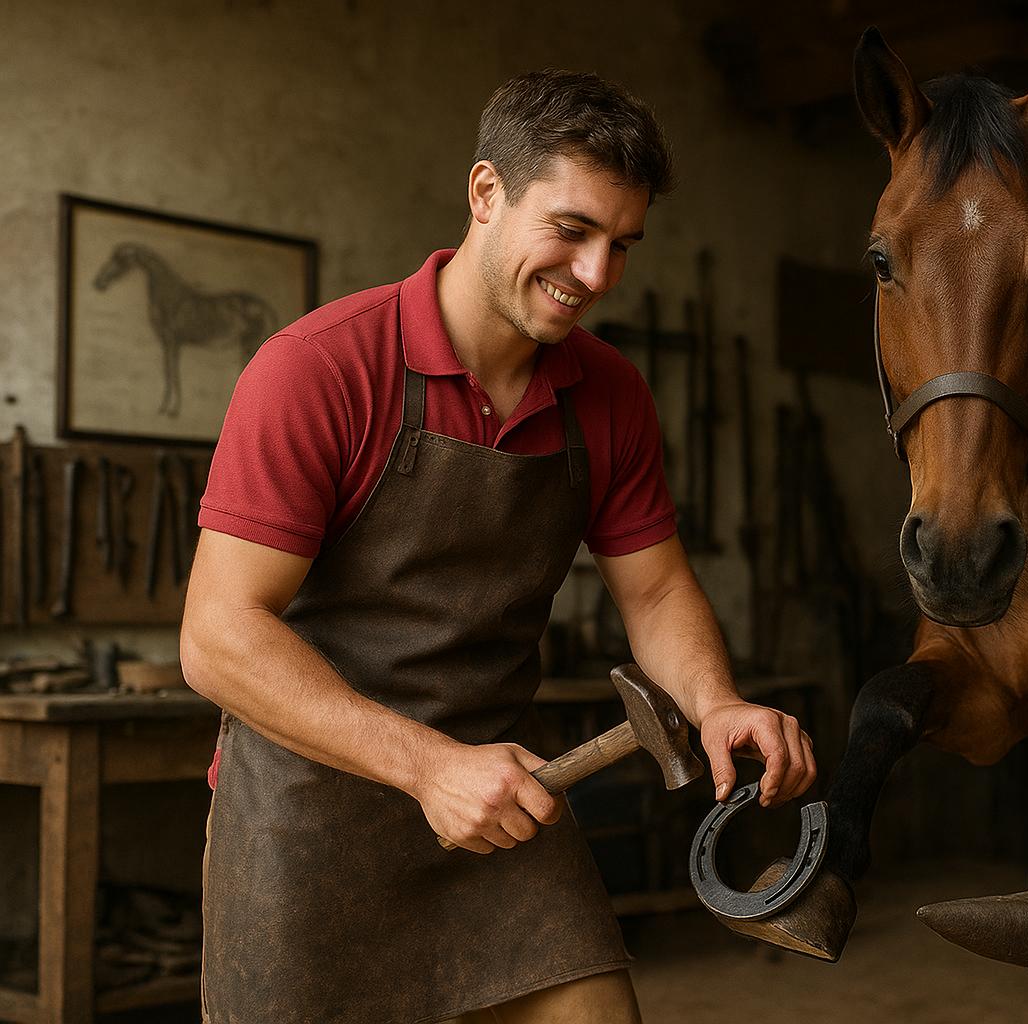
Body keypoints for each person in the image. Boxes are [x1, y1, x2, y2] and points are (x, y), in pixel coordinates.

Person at [181, 70, 816, 1024]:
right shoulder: (316, 370)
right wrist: (428, 766)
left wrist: (715, 698)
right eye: (571, 230)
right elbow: (218, 636)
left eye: (621, 245)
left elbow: (654, 594)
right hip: (306, 820)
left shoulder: (609, 394)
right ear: (486, 194)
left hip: (507, 803)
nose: (597, 276)